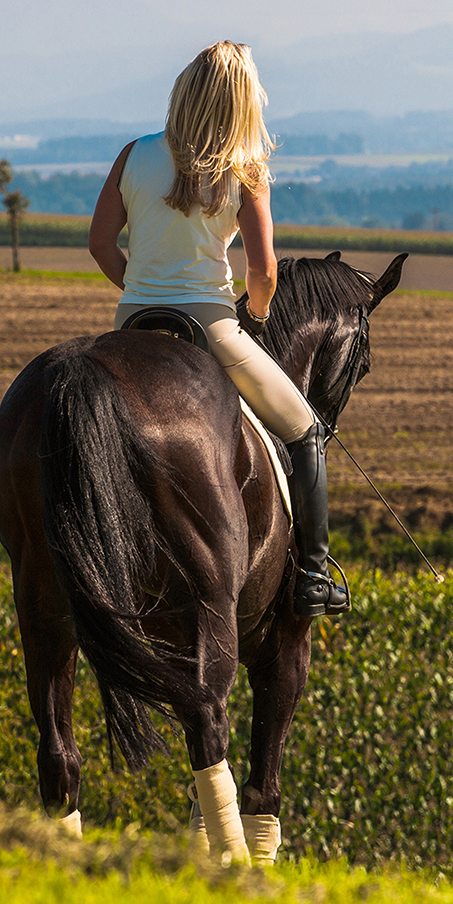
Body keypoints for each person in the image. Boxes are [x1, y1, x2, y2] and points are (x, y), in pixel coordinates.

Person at [88, 41, 347, 618]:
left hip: (131, 323)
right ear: (240, 104)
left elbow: (100, 243)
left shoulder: (133, 154)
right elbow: (263, 271)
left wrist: (139, 291)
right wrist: (253, 316)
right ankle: (312, 574)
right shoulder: (245, 170)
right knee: (304, 429)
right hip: (209, 325)